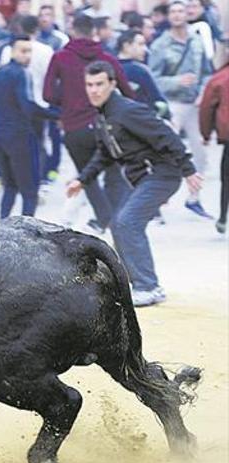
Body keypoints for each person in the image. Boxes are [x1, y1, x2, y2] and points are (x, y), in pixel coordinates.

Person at [67, 62, 203, 307]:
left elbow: (166, 135)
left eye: (99, 84)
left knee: (128, 222)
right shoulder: (104, 115)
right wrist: (82, 179)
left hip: (161, 174)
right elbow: (105, 154)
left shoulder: (127, 111)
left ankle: (149, 286)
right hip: (143, 178)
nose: (94, 90)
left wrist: (188, 170)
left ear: (112, 84)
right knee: (118, 224)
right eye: (89, 85)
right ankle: (130, 281)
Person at [44, 14, 135, 233]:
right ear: (94, 31)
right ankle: (117, 220)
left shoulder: (60, 58)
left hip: (74, 126)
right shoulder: (106, 58)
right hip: (105, 124)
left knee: (88, 177)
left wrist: (67, 100)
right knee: (114, 174)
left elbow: (47, 94)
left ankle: (105, 219)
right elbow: (127, 90)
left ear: (72, 29)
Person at [0, 35, 60, 218]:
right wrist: (57, 115)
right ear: (12, 51)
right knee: (30, 189)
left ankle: (1, 226)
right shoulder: (21, 74)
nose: (27, 55)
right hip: (19, 135)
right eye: (23, 51)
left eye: (29, 51)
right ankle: (26, 232)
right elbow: (28, 106)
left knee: (9, 186)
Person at [149, 1, 211, 219]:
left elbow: (207, 72)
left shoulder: (196, 41)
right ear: (168, 16)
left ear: (188, 14)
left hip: (194, 104)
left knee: (201, 154)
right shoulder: (160, 44)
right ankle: (154, 203)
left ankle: (194, 199)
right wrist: (177, 81)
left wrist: (204, 92)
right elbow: (152, 79)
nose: (177, 15)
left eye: (180, 11)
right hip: (171, 105)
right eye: (173, 11)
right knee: (164, 154)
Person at [199, 57, 228, 234]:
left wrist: (206, 133)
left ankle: (224, 216)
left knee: (226, 179)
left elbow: (206, 108)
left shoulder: (220, 78)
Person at [115, 30, 170, 118]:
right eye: (140, 44)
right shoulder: (139, 70)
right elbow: (157, 99)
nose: (145, 49)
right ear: (126, 46)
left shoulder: (109, 67)